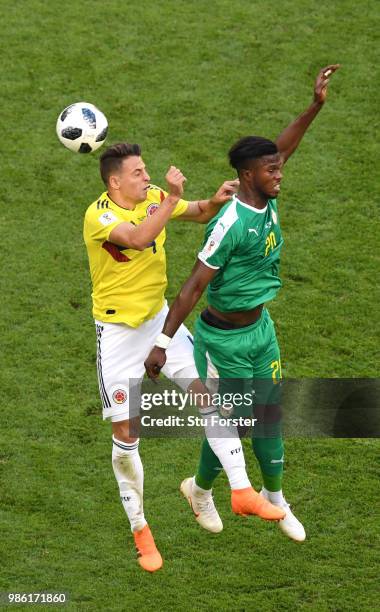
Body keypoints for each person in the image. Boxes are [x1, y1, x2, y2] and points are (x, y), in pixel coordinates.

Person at [145, 65, 340, 544]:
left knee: (268, 413)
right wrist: (164, 343)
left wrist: (315, 105)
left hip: (261, 330)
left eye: (278, 166)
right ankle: (205, 491)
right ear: (246, 176)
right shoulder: (228, 224)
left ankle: (269, 497)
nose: (280, 173)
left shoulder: (266, 194)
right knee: (231, 423)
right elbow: (192, 287)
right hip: (223, 340)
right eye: (272, 169)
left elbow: (285, 146)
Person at [83, 143, 240, 572]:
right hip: (117, 336)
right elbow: (138, 238)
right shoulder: (99, 216)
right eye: (138, 172)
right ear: (115, 181)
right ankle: (141, 530)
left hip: (159, 323)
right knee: (125, 440)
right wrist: (170, 198)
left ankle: (205, 492)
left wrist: (216, 199)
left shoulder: (154, 198)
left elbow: (200, 211)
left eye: (146, 169)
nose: (146, 176)